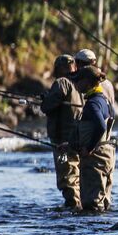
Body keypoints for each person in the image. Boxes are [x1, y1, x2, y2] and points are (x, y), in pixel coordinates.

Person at [71, 65, 115, 212]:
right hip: (107, 156)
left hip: (95, 159)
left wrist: (88, 149)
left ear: (88, 82)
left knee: (92, 206)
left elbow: (101, 127)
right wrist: (69, 145)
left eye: (78, 81)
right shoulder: (104, 100)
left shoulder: (93, 103)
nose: (76, 84)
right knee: (103, 204)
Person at [40, 54, 82, 209]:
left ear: (59, 68)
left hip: (62, 141)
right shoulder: (81, 84)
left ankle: (73, 207)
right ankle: (79, 205)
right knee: (76, 174)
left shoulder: (62, 82)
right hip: (78, 138)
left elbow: (47, 107)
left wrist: (45, 100)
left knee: (67, 176)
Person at [73, 48, 117, 114]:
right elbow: (112, 110)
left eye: (76, 62)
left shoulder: (85, 83)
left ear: (79, 63)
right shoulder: (108, 83)